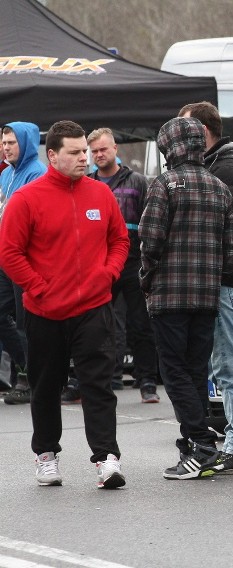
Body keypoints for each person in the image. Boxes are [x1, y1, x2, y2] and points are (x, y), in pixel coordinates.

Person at [0, 120, 129, 489]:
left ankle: (106, 458)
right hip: (44, 311)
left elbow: (119, 240)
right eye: (74, 152)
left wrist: (107, 275)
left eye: (85, 151)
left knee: (98, 386)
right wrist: (37, 287)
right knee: (45, 385)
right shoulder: (28, 198)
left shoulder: (101, 194)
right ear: (52, 155)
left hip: (93, 307)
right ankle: (46, 455)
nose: (83, 158)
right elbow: (9, 252)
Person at [139, 117, 233, 480]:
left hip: (168, 294)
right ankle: (194, 450)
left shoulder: (164, 184)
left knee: (173, 369)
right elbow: (230, 256)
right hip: (207, 295)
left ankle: (201, 442)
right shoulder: (220, 187)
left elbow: (150, 241)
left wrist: (147, 279)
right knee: (195, 369)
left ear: (169, 147)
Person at [179, 101, 233, 474]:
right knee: (224, 364)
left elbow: (230, 231)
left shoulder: (227, 168)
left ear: (202, 131)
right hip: (222, 279)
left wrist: (213, 273)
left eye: (186, 131)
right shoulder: (222, 164)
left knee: (230, 365)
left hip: (225, 281)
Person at [80, 127, 160, 403]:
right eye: (95, 151)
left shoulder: (137, 181)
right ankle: (106, 377)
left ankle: (147, 381)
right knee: (99, 324)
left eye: (103, 149)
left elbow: (150, 222)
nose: (99, 154)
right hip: (99, 264)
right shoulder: (86, 183)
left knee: (140, 324)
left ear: (115, 149)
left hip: (133, 263)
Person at [0, 122, 45, 405]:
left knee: (24, 321)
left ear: (26, 143)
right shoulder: (6, 175)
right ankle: (25, 369)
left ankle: (31, 378)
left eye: (11, 142)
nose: (6, 147)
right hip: (5, 257)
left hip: (25, 260)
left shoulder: (37, 174)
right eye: (3, 142)